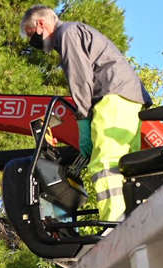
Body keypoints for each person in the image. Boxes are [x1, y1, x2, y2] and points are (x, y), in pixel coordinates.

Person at [20, 5, 152, 223]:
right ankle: (136, 220)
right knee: (127, 163)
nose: (31, 41)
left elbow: (80, 80)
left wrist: (83, 120)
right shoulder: (77, 31)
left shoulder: (67, 34)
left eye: (30, 34)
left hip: (112, 97)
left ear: (41, 24)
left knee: (104, 163)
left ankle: (115, 224)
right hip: (130, 99)